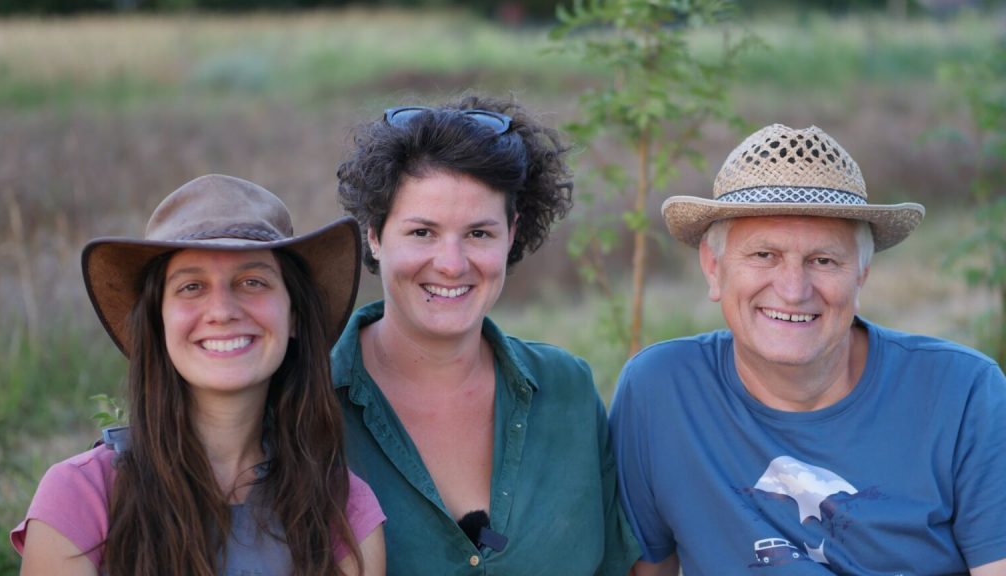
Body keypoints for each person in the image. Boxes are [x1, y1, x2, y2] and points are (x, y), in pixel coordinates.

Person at [609, 123, 1006, 575]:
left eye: (823, 260)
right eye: (764, 255)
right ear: (713, 267)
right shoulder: (661, 392)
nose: (794, 290)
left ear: (862, 274)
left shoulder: (963, 394)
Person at [11, 174, 386, 576]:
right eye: (191, 286)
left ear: (293, 315)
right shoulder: (81, 497)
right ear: (157, 321)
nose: (222, 310)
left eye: (252, 281)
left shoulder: (343, 510)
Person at [334, 95, 641, 575]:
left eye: (478, 233)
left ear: (512, 234)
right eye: (422, 233)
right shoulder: (304, 400)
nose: (452, 263)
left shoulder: (569, 390)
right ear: (374, 234)